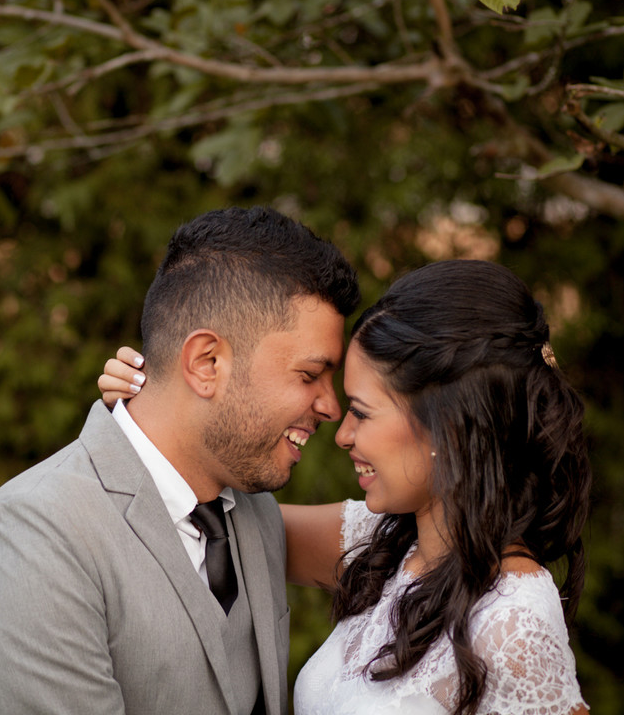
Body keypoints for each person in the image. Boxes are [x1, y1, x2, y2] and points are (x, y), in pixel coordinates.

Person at [101, 259, 591, 715]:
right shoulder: (381, 541)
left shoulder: (516, 624)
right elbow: (198, 514)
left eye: (361, 411)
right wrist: (160, 405)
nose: (342, 434)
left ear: (450, 428)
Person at [0, 206, 361, 715]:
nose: (331, 406)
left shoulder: (254, 514)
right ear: (206, 363)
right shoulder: (34, 534)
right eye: (310, 374)